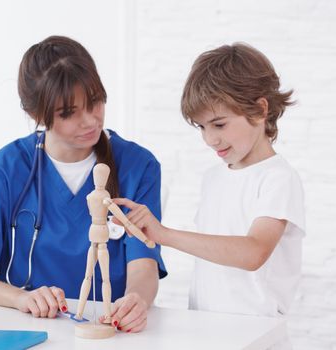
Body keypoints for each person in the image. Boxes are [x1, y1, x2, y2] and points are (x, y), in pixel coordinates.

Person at [0, 35, 167, 333]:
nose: (89, 121)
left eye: (95, 102)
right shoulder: (7, 168)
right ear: (36, 114)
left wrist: (136, 299)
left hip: (107, 332)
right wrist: (21, 298)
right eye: (69, 113)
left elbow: (143, 264)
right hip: (29, 329)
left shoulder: (139, 166)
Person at [112, 43, 305, 319]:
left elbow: (254, 252)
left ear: (261, 110)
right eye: (201, 127)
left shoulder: (278, 178)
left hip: (258, 337)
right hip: (209, 331)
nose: (209, 139)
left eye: (219, 124)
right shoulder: (214, 178)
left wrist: (164, 234)